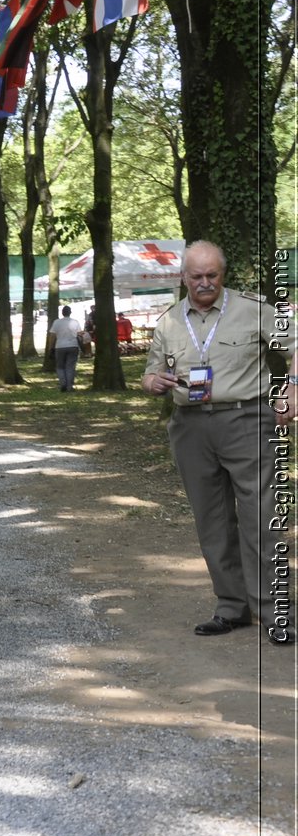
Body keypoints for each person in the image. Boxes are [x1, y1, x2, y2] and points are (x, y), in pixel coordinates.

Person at [140, 240, 296, 645]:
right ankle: (231, 607)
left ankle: (275, 611)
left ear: (223, 275)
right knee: (211, 520)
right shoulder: (170, 321)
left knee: (260, 518)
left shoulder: (252, 309)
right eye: (197, 276)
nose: (205, 283)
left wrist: (292, 387)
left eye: (213, 275)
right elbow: (151, 372)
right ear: (183, 277)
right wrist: (152, 382)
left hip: (247, 420)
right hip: (191, 427)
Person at [50, 305, 81, 392]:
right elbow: (79, 334)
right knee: (70, 367)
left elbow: (52, 336)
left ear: (62, 313)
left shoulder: (56, 322)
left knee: (60, 367)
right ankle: (69, 386)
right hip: (73, 345)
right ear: (70, 312)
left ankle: (63, 383)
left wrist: (51, 347)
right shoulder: (75, 322)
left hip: (59, 346)